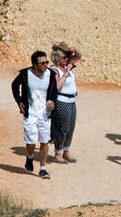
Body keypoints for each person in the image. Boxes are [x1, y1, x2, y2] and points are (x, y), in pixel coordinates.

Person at [11, 50, 58, 179]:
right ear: (34, 64)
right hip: (30, 113)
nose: (45, 65)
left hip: (44, 114)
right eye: (42, 63)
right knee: (31, 142)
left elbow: (54, 91)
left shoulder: (51, 75)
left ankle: (43, 168)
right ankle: (30, 156)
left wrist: (52, 101)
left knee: (44, 141)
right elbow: (14, 86)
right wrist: (19, 101)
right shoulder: (25, 74)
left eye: (46, 62)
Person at [50, 43, 81, 163]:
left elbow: (79, 55)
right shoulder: (55, 70)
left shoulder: (67, 65)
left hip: (72, 101)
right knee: (62, 128)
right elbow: (57, 86)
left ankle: (66, 150)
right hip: (62, 101)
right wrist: (66, 73)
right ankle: (58, 152)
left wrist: (72, 49)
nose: (67, 59)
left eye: (68, 56)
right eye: (64, 57)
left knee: (70, 128)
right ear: (57, 58)